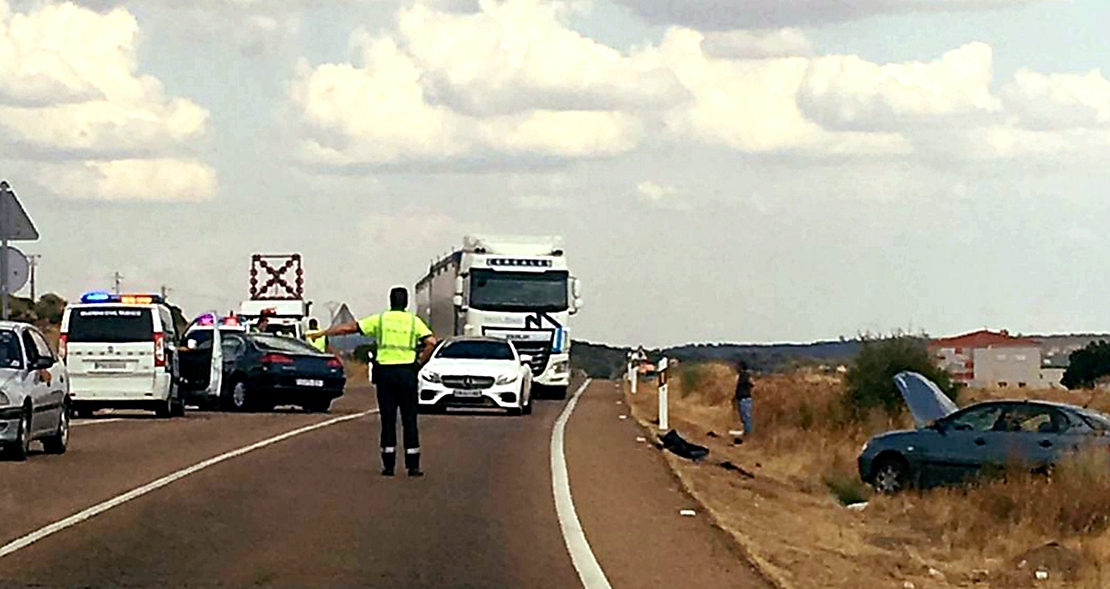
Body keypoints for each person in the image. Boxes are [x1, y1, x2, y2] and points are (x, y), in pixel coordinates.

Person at [310, 286, 436, 477]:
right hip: (407, 373)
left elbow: (349, 327)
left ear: (390, 301)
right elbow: (431, 343)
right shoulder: (413, 322)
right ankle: (413, 465)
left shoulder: (381, 320)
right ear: (406, 302)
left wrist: (323, 333)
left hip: (385, 373)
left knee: (388, 418)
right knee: (409, 418)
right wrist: (418, 363)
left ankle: (388, 464)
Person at [735, 360, 754, 436]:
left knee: (746, 417)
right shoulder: (741, 376)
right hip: (741, 399)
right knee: (743, 417)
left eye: (737, 366)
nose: (736, 368)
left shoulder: (746, 375)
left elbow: (752, 382)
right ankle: (747, 432)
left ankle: (749, 433)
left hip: (745, 399)